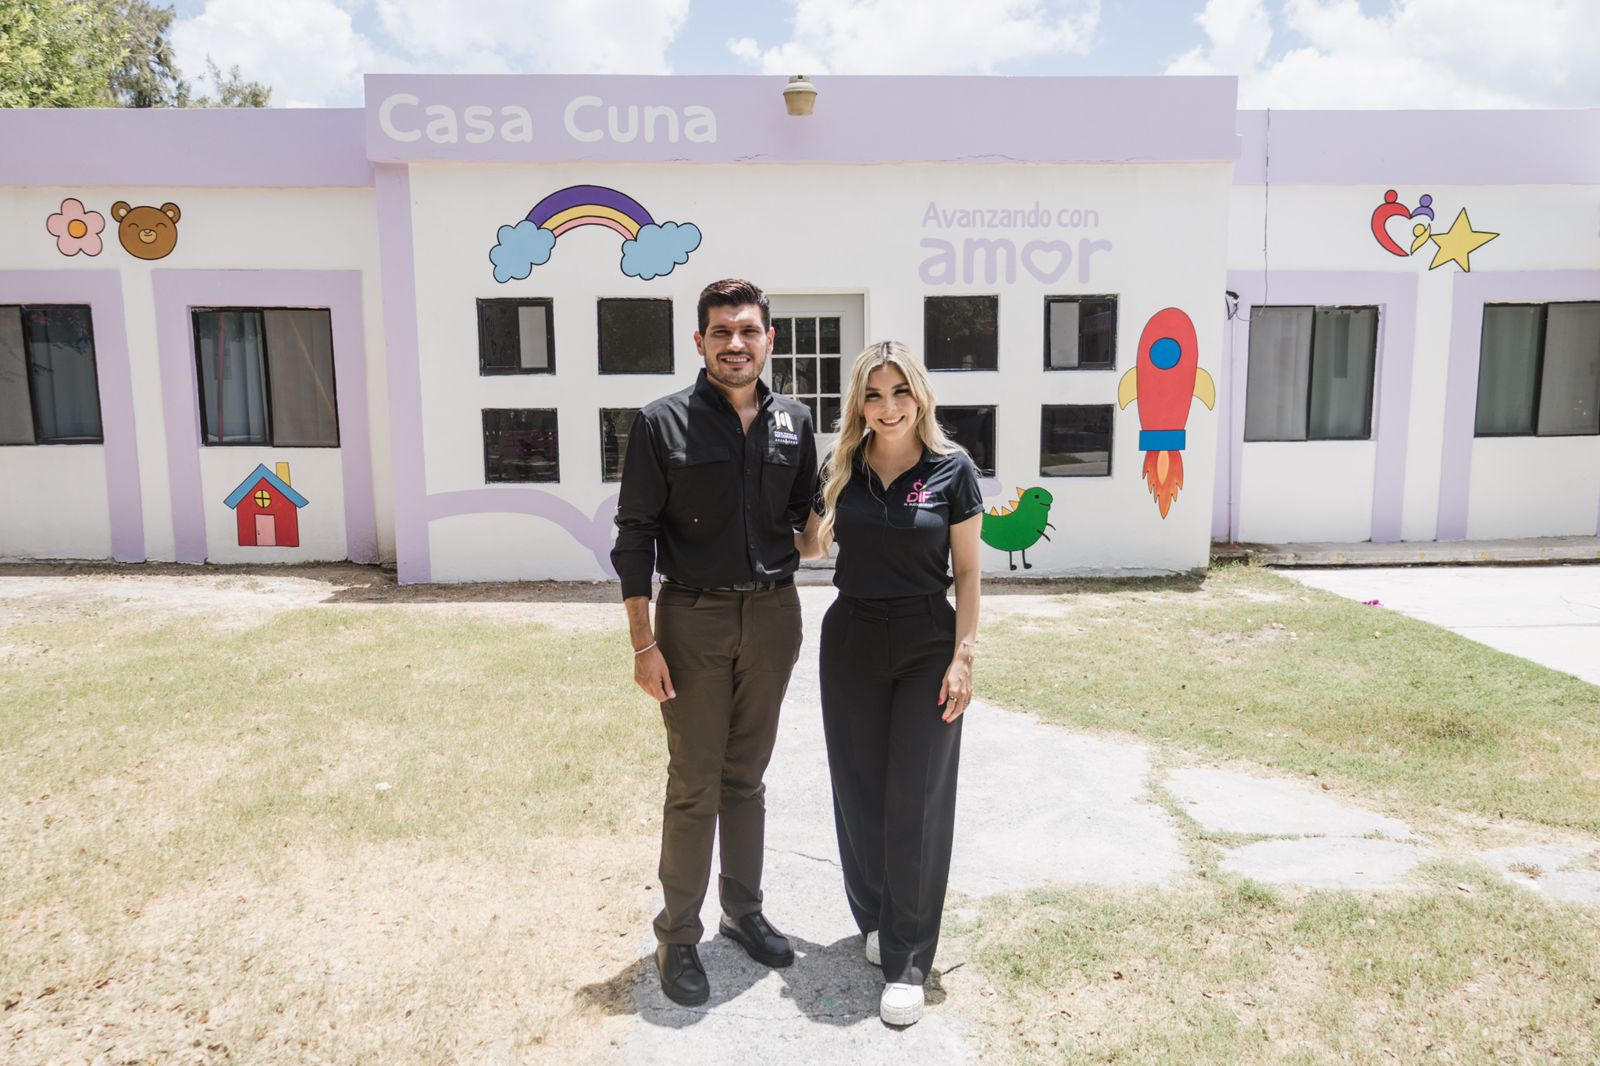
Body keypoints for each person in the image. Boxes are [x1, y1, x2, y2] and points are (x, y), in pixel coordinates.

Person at [612, 278, 818, 1007]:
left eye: (749, 330)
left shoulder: (794, 421)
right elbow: (634, 537)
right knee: (695, 782)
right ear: (699, 341)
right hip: (692, 620)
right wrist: (644, 644)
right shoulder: (660, 423)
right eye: (722, 331)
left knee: (747, 778)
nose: (736, 343)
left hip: (774, 616)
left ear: (768, 339)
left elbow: (809, 521)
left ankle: (743, 911)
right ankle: (677, 935)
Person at [797, 341, 982, 1027]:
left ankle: (908, 962)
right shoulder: (843, 465)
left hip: (926, 641)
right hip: (851, 638)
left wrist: (964, 656)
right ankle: (878, 917)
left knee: (916, 798)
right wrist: (794, 492)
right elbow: (810, 548)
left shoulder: (952, 469)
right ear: (859, 404)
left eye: (899, 391)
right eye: (873, 395)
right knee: (859, 790)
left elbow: (968, 572)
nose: (888, 407)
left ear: (920, 395)